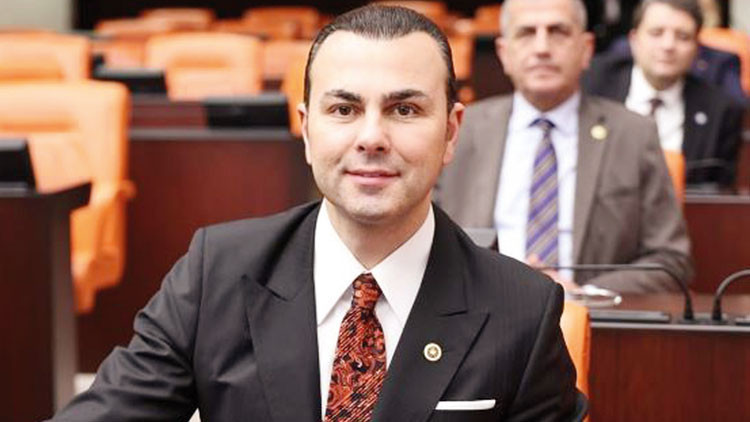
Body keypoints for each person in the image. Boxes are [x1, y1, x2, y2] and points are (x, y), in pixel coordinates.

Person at [50, 5, 581, 422]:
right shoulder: (217, 273)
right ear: (306, 130)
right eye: (344, 109)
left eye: (404, 109)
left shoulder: (523, 312)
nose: (371, 137)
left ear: (451, 131)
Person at [436, 0, 693, 293]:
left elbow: (671, 262)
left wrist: (585, 294)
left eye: (558, 32)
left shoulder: (634, 135)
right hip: (476, 308)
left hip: (590, 313)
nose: (542, 48)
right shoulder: (461, 130)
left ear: (586, 49)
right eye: (527, 33)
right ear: (504, 53)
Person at [583, 0, 745, 189]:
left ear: (697, 48)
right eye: (656, 33)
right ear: (634, 40)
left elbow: (720, 194)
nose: (668, 45)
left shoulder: (721, 110)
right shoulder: (592, 83)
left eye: (683, 37)